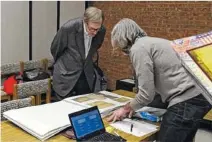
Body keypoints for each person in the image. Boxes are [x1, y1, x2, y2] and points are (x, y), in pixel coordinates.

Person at [107, 18, 211, 142]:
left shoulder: (138, 48)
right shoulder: (153, 42)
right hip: (201, 94)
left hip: (186, 99)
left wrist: (126, 108)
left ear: (122, 38)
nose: (121, 51)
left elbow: (146, 94)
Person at [50, 7, 106, 100]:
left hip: (85, 75)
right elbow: (55, 49)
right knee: (64, 109)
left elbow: (95, 48)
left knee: (84, 106)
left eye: (97, 29)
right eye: (92, 29)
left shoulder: (102, 31)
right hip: (65, 75)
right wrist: (66, 63)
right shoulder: (69, 28)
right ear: (85, 21)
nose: (95, 32)